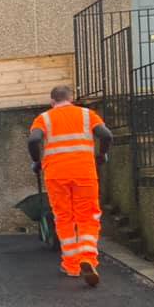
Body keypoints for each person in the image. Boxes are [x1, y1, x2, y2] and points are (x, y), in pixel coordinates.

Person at [29, 85, 113, 287]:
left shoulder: (44, 118)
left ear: (52, 101)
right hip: (84, 172)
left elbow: (34, 140)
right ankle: (87, 258)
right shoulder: (87, 114)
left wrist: (37, 161)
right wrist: (101, 155)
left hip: (56, 175)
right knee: (88, 215)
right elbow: (107, 135)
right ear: (71, 98)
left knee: (64, 217)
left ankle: (71, 265)